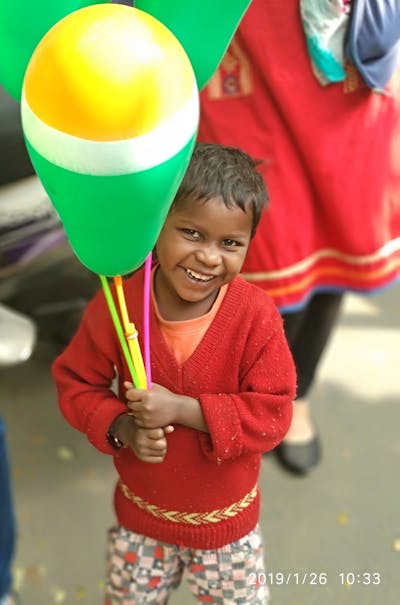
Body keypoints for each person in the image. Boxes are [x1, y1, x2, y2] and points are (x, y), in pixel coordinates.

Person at [52, 143, 296, 605]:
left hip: (226, 530)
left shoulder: (256, 317)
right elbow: (75, 382)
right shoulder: (119, 303)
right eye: (191, 232)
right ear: (156, 225)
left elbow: (274, 412)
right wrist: (121, 426)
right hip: (142, 522)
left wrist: (182, 410)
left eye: (230, 243)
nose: (208, 256)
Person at [198, 0, 400, 474]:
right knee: (255, 243)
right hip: (242, 56)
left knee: (336, 246)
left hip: (347, 65)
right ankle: (241, 393)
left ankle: (294, 393)